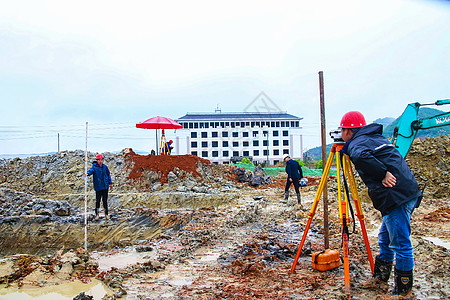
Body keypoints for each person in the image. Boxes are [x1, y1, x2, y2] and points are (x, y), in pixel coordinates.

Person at [340, 111, 421, 296]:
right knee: (385, 237)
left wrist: (382, 173)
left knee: (400, 244)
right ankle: (380, 278)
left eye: (342, 130)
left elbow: (360, 157)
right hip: (404, 193)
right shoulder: (374, 138)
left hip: (396, 197)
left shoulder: (357, 143)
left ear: (348, 131)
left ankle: (402, 291)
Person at [87, 153, 113, 221]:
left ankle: (106, 214)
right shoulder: (94, 168)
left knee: (105, 201)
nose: (100, 161)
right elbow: (90, 171)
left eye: (101, 160)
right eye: (99, 160)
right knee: (98, 201)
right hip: (98, 187)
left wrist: (110, 183)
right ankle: (97, 215)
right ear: (97, 160)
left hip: (105, 187)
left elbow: (108, 175)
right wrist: (87, 173)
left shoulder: (105, 167)